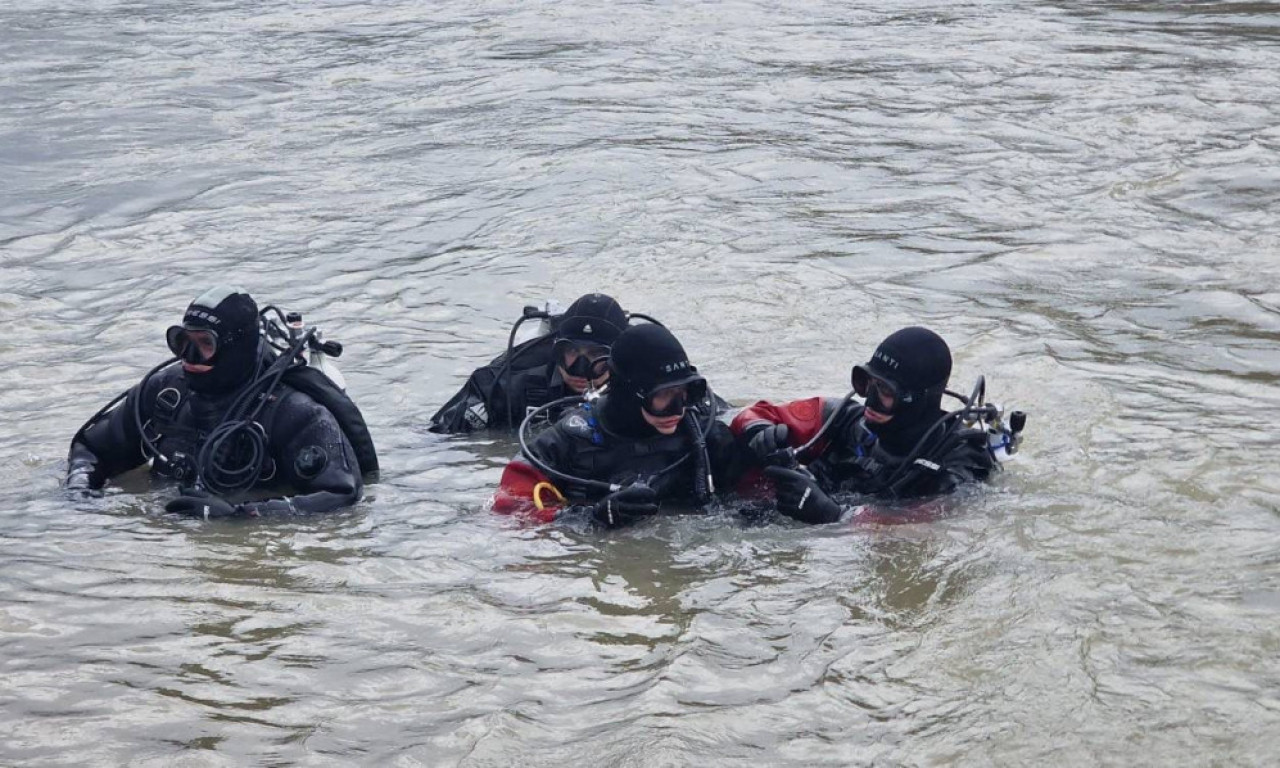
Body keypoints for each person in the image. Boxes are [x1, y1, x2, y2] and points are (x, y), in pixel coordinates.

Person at [65, 286, 378, 519]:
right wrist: (81, 494)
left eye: (205, 344)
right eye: (182, 341)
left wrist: (240, 517)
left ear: (236, 348)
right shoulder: (166, 391)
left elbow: (343, 496)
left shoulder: (294, 413)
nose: (189, 356)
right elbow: (92, 448)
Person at [732, 327, 1024, 524]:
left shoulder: (961, 460)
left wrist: (836, 517)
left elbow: (933, 523)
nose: (869, 401)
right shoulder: (847, 419)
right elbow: (755, 413)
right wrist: (760, 432)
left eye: (885, 391)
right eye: (866, 384)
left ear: (918, 399)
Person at [491, 323, 747, 527]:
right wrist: (588, 519)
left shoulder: (704, 432)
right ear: (629, 393)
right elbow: (507, 510)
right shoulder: (569, 439)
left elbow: (751, 497)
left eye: (684, 394)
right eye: (663, 396)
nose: (677, 410)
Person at [429, 293, 632, 433]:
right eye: (571, 351)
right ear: (556, 350)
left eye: (595, 354)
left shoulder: (640, 387)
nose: (580, 368)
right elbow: (440, 438)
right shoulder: (507, 384)